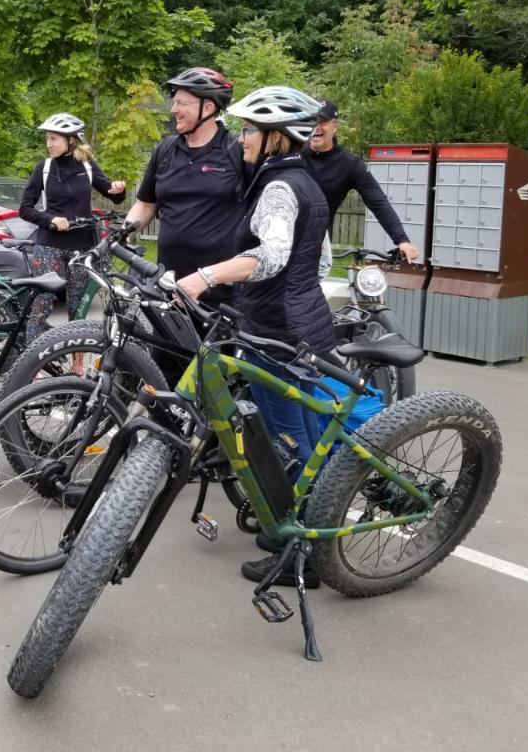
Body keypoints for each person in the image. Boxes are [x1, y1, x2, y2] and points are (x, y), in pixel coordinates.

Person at [177, 85, 337, 588]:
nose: (241, 138)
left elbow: (270, 256)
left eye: (249, 130)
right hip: (304, 325)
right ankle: (300, 533)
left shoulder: (278, 188)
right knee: (308, 438)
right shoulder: (304, 182)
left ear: (275, 138)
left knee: (289, 445)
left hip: (275, 333)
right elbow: (322, 260)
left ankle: (304, 556)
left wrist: (206, 276)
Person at [124, 67, 247, 379]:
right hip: (171, 289)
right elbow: (146, 202)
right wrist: (124, 232)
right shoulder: (166, 150)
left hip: (219, 297)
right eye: (174, 101)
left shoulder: (236, 151)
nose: (174, 109)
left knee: (213, 385)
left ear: (208, 108)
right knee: (163, 378)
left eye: (182, 102)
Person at [18, 114, 125, 344]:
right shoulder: (43, 168)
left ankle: (76, 364)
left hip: (81, 248)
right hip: (50, 245)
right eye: (48, 138)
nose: (49, 144)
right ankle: (30, 364)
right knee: (42, 304)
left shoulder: (87, 167)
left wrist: (118, 189)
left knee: (77, 308)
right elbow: (25, 209)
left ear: (71, 140)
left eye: (54, 139)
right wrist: (50, 220)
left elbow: (112, 195)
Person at [304, 99, 420, 264]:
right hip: (280, 244)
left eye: (322, 122)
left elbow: (378, 201)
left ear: (335, 127)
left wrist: (402, 240)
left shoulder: (349, 163)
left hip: (315, 249)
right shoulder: (292, 153)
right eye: (311, 121)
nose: (316, 127)